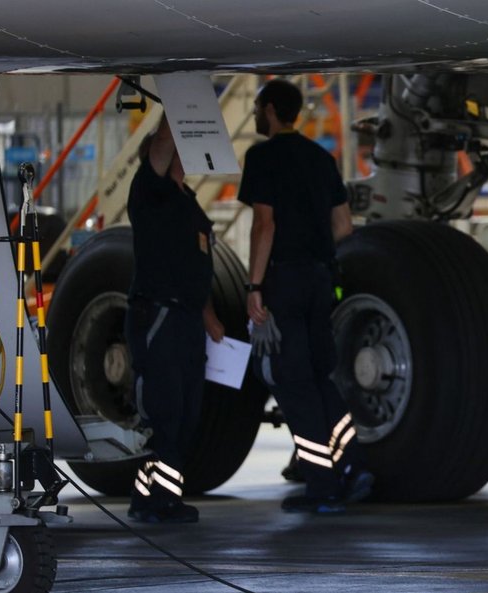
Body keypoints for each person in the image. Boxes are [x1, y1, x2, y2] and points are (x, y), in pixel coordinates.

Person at [238, 78, 372, 514]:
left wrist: (255, 286)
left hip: (285, 281)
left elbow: (265, 224)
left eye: (259, 107)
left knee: (293, 385)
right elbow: (344, 227)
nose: (256, 114)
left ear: (272, 110)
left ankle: (322, 486)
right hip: (320, 281)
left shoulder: (263, 157)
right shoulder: (321, 157)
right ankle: (352, 466)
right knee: (320, 379)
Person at [126, 114, 224, 524]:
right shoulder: (151, 192)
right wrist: (181, 100)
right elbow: (164, 140)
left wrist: (210, 320)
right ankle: (153, 500)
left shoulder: (190, 203)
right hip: (159, 316)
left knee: (186, 413)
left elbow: (194, 267)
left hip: (187, 319)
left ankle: (160, 495)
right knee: (163, 411)